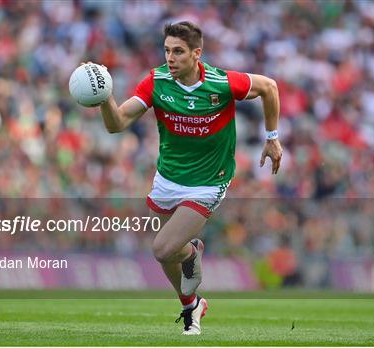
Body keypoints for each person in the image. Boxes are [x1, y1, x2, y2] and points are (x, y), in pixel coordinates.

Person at [95, 21, 282, 335]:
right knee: (170, 252)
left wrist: (272, 137)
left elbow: (269, 87)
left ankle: (191, 255)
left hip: (209, 181)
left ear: (197, 54)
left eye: (178, 51)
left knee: (162, 249)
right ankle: (191, 304)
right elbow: (117, 123)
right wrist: (104, 98)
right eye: (167, 50)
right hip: (168, 178)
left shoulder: (222, 83)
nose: (170, 57)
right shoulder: (157, 82)